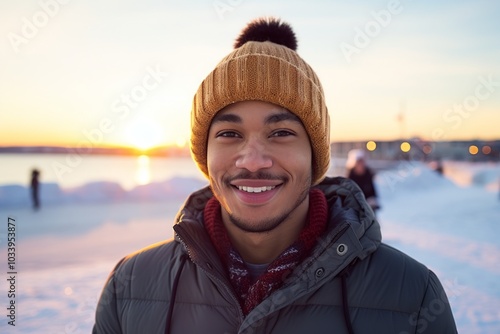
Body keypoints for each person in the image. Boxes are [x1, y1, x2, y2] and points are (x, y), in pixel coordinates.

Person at [93, 17, 457, 333]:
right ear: (204, 154)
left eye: (281, 133)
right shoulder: (129, 286)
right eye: (229, 134)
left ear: (314, 155)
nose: (252, 161)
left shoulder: (413, 295)